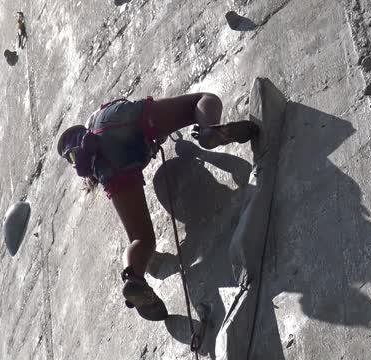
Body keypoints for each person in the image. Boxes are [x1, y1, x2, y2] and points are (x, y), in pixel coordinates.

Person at [56, 94, 258, 321]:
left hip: (110, 166)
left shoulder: (92, 161)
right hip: (122, 120)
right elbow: (142, 120)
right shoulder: (103, 114)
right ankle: (209, 128)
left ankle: (133, 277)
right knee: (200, 100)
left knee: (140, 239)